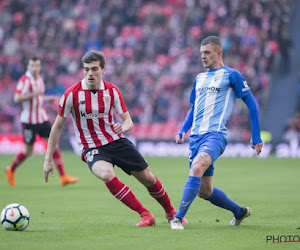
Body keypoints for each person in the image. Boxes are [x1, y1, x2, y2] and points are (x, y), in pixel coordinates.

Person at [43, 50, 187, 227]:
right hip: (92, 147)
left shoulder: (112, 91)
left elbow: (128, 122)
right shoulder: (71, 95)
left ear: (103, 70)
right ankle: (145, 215)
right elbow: (57, 127)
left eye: (94, 69)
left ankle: (171, 212)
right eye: (86, 69)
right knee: (106, 174)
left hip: (116, 141)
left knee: (148, 178)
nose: (90, 73)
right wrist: (48, 159)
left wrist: (123, 127)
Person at [171, 36, 263, 230]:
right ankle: (239, 212)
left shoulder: (232, 75)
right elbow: (194, 108)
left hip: (215, 135)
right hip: (195, 137)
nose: (203, 56)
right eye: (201, 53)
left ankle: (177, 218)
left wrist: (256, 137)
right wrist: (182, 130)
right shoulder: (200, 78)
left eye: (207, 52)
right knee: (204, 191)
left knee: (197, 167)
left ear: (219, 52)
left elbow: (252, 104)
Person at [5, 56, 78, 187]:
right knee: (28, 151)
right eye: (33, 65)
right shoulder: (24, 80)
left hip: (42, 118)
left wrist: (46, 98)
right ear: (28, 67)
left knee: (54, 145)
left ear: (40, 66)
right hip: (29, 121)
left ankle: (63, 177)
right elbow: (17, 98)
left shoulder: (39, 79)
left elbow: (38, 96)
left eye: (37, 65)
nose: (35, 68)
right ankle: (10, 169)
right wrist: (34, 94)